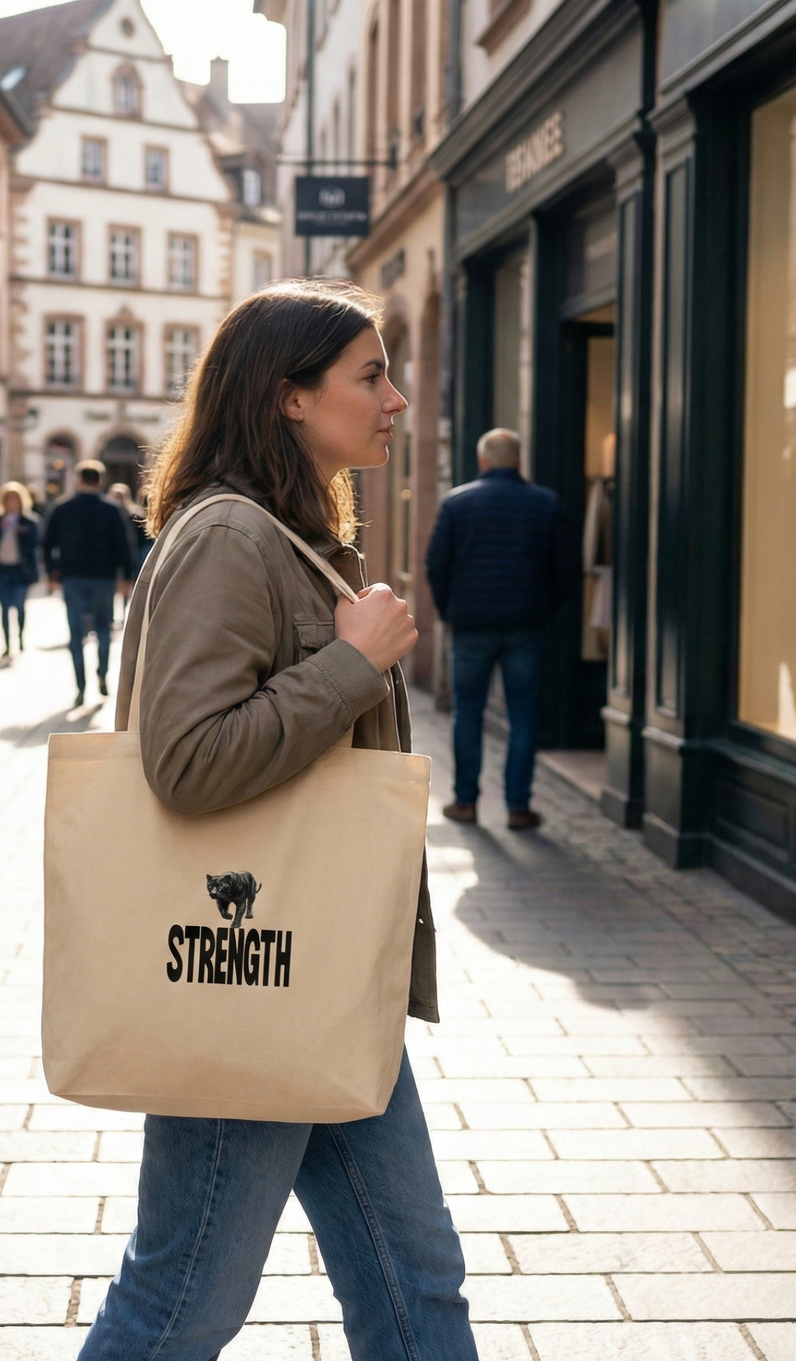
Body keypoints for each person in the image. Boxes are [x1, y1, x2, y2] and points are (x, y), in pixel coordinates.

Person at [81, 280, 473, 1360]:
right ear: (289, 396)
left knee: (414, 1278)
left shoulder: (282, 536)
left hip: (323, 967)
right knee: (182, 1297)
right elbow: (189, 760)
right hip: (248, 971)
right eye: (370, 376)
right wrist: (353, 664)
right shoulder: (228, 538)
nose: (395, 400)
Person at [424, 426, 573, 831]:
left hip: (471, 625)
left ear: (483, 461)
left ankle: (466, 802)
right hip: (526, 624)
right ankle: (518, 806)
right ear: (519, 462)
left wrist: (449, 611)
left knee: (467, 712)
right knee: (523, 715)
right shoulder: (546, 504)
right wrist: (544, 608)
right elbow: (563, 570)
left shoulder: (457, 503)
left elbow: (436, 565)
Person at [41, 460, 136, 705]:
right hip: (103, 578)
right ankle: (102, 674)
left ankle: (80, 687)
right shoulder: (112, 509)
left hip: (72, 577)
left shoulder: (64, 508)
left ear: (79, 479)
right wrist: (127, 576)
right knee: (104, 629)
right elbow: (124, 545)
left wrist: (52, 572)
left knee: (76, 634)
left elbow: (47, 543)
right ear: (100, 481)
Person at [0, 481, 39, 658]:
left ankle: (20, 638)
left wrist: (22, 531)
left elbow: (36, 541)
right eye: (8, 499)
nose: (11, 503)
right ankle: (6, 643)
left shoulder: (29, 521)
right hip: (1, 570)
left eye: (14, 499)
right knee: (4, 608)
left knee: (19, 606)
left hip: (21, 571)